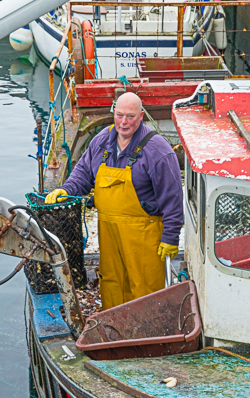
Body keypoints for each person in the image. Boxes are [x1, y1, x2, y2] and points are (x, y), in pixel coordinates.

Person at [45, 92, 183, 310]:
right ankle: (114, 327)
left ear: (141, 117)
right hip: (108, 230)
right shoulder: (101, 141)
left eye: (130, 116)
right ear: (113, 112)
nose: (124, 122)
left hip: (144, 234)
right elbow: (82, 174)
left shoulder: (158, 150)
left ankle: (147, 332)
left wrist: (171, 236)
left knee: (145, 285)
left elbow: (173, 196)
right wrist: (65, 189)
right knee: (111, 281)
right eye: (119, 115)